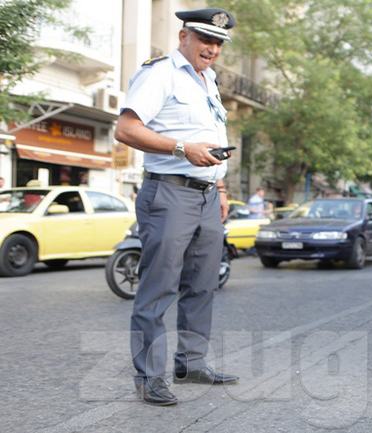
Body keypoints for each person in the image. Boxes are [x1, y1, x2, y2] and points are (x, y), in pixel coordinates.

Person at [114, 7, 239, 406]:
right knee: (159, 287)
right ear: (183, 36)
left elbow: (211, 139)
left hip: (205, 196)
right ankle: (149, 376)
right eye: (206, 39)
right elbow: (126, 129)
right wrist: (182, 148)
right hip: (168, 194)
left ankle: (191, 363)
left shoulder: (209, 79)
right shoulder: (160, 73)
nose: (212, 49)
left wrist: (219, 190)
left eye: (218, 43)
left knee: (202, 284)